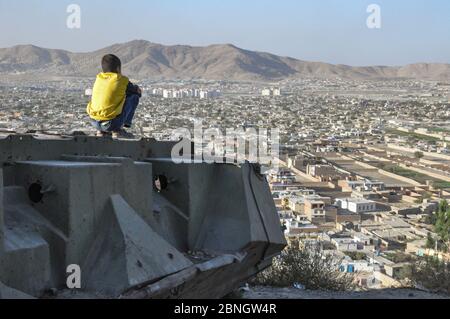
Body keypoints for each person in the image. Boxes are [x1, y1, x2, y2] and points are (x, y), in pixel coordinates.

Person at [87, 54, 141, 138]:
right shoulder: (121, 79)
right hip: (111, 124)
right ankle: (118, 130)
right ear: (118, 68)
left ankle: (100, 132)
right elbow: (136, 91)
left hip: (94, 122)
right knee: (134, 97)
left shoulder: (99, 78)